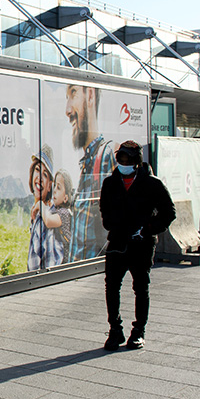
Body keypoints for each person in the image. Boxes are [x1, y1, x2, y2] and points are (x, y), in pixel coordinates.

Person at [99, 140, 176, 350]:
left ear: (136, 161)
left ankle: (139, 331)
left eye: (128, 159)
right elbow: (104, 210)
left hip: (141, 244)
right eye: (120, 159)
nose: (123, 163)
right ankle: (115, 330)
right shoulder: (110, 183)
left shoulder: (152, 184)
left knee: (140, 288)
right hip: (117, 242)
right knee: (111, 286)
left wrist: (148, 228)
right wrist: (111, 224)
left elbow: (169, 212)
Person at [64, 84, 115, 262]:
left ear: (90, 95)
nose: (67, 109)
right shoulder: (87, 163)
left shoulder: (108, 156)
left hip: (98, 274)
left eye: (73, 93)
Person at [27, 145, 59, 271]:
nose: (39, 178)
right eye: (37, 170)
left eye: (45, 175)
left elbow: (51, 264)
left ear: (50, 186)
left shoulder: (45, 216)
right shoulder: (38, 211)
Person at [39, 169, 74, 267]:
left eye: (58, 188)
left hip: (64, 265)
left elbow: (49, 221)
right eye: (54, 186)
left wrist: (40, 205)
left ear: (66, 198)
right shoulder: (55, 210)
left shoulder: (65, 213)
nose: (54, 190)